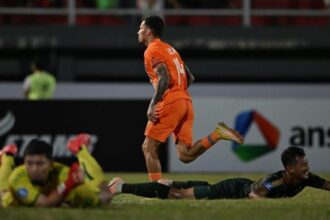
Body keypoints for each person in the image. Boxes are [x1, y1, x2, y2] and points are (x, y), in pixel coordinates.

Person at [137, 15, 243, 181]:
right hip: (186, 101)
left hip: (171, 100)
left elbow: (164, 77)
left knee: (148, 147)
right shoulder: (171, 49)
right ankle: (217, 134)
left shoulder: (151, 50)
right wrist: (179, 96)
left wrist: (154, 104)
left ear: (149, 31)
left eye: (141, 28)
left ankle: (156, 189)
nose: (138, 31)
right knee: (185, 156)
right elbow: (190, 76)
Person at [108, 146, 330, 199]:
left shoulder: (306, 179)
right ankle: (120, 187)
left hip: (241, 184)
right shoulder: (274, 181)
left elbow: (327, 185)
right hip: (234, 189)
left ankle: (171, 181)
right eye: (303, 165)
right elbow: (255, 197)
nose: (307, 168)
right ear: (290, 169)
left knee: (201, 186)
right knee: (178, 195)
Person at [0, 134, 112, 207]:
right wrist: (67, 186)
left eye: (40, 163)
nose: (34, 169)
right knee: (3, 194)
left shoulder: (62, 173)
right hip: (14, 200)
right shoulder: (18, 176)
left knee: (102, 194)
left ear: (51, 163)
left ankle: (80, 148)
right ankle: (7, 155)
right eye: (29, 163)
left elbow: (104, 198)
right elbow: (44, 204)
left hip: (58, 189)